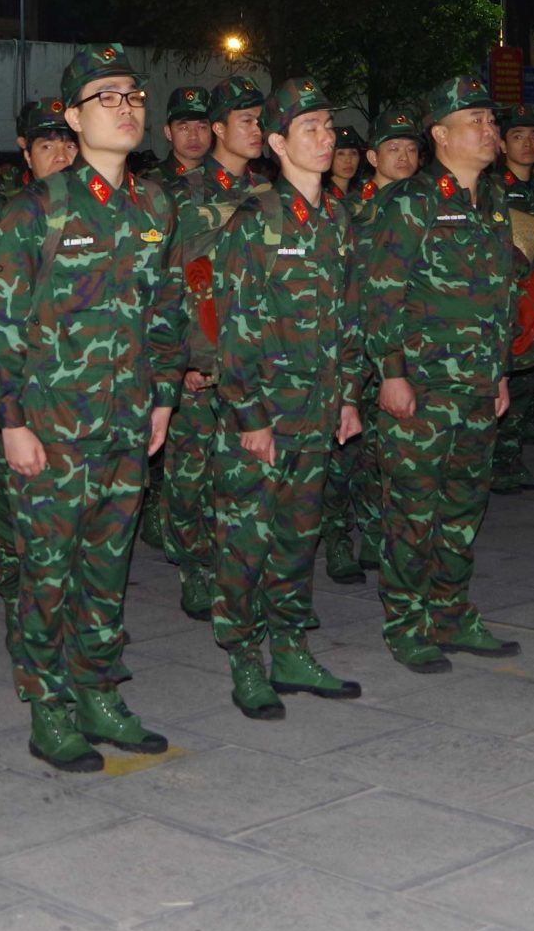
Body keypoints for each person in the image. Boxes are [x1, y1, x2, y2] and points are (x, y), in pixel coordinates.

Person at [0, 43, 175, 772]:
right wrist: (11, 422)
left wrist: (163, 396)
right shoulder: (35, 211)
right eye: (106, 97)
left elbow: (164, 309)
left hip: (126, 421)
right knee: (47, 574)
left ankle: (99, 693)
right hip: (50, 429)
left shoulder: (154, 206)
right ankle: (50, 707)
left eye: (133, 96)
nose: (125, 109)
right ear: (72, 116)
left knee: (107, 568)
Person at [202, 76, 366, 716]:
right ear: (277, 143)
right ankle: (245, 656)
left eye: (329, 127)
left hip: (317, 410)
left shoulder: (336, 218)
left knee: (300, 537)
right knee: (247, 541)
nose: (326, 139)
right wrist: (249, 416)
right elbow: (232, 328)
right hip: (264, 416)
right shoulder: (255, 223)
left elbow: (348, 316)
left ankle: (292, 649)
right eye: (310, 128)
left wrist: (348, 395)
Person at [360, 73, 519, 672]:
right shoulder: (411, 200)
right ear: (441, 136)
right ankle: (406, 622)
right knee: (412, 512)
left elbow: (500, 295)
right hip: (423, 387)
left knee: (462, 510)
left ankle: (451, 614)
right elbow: (381, 293)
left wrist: (500, 372)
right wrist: (391, 373)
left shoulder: (493, 202)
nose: (489, 130)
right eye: (475, 121)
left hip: (478, 383)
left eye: (491, 120)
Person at [146, 74, 267, 621]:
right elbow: (168, 285)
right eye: (247, 120)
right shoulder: (179, 196)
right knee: (189, 476)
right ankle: (194, 566)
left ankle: (236, 571)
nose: (258, 130)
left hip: (252, 362)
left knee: (244, 476)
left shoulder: (267, 194)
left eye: (261, 121)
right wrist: (183, 361)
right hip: (198, 365)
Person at [0, 97, 78, 608]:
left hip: (72, 379)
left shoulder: (95, 212)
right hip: (18, 375)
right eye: (47, 145)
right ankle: (13, 582)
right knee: (14, 490)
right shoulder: (6, 215)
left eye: (68, 144)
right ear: (26, 152)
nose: (61, 155)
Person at [326, 100, 424, 583]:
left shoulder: (429, 211)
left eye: (411, 149)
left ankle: (375, 533)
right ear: (373, 156)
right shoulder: (348, 212)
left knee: (386, 455)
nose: (403, 157)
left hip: (404, 353)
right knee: (342, 453)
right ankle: (336, 538)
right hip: (353, 351)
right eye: (393, 148)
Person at [490, 106, 534, 494]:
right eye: (517, 136)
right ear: (502, 145)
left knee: (528, 382)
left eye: (533, 136)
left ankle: (509, 459)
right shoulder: (496, 189)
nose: (527, 143)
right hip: (511, 301)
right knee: (509, 384)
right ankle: (499, 464)